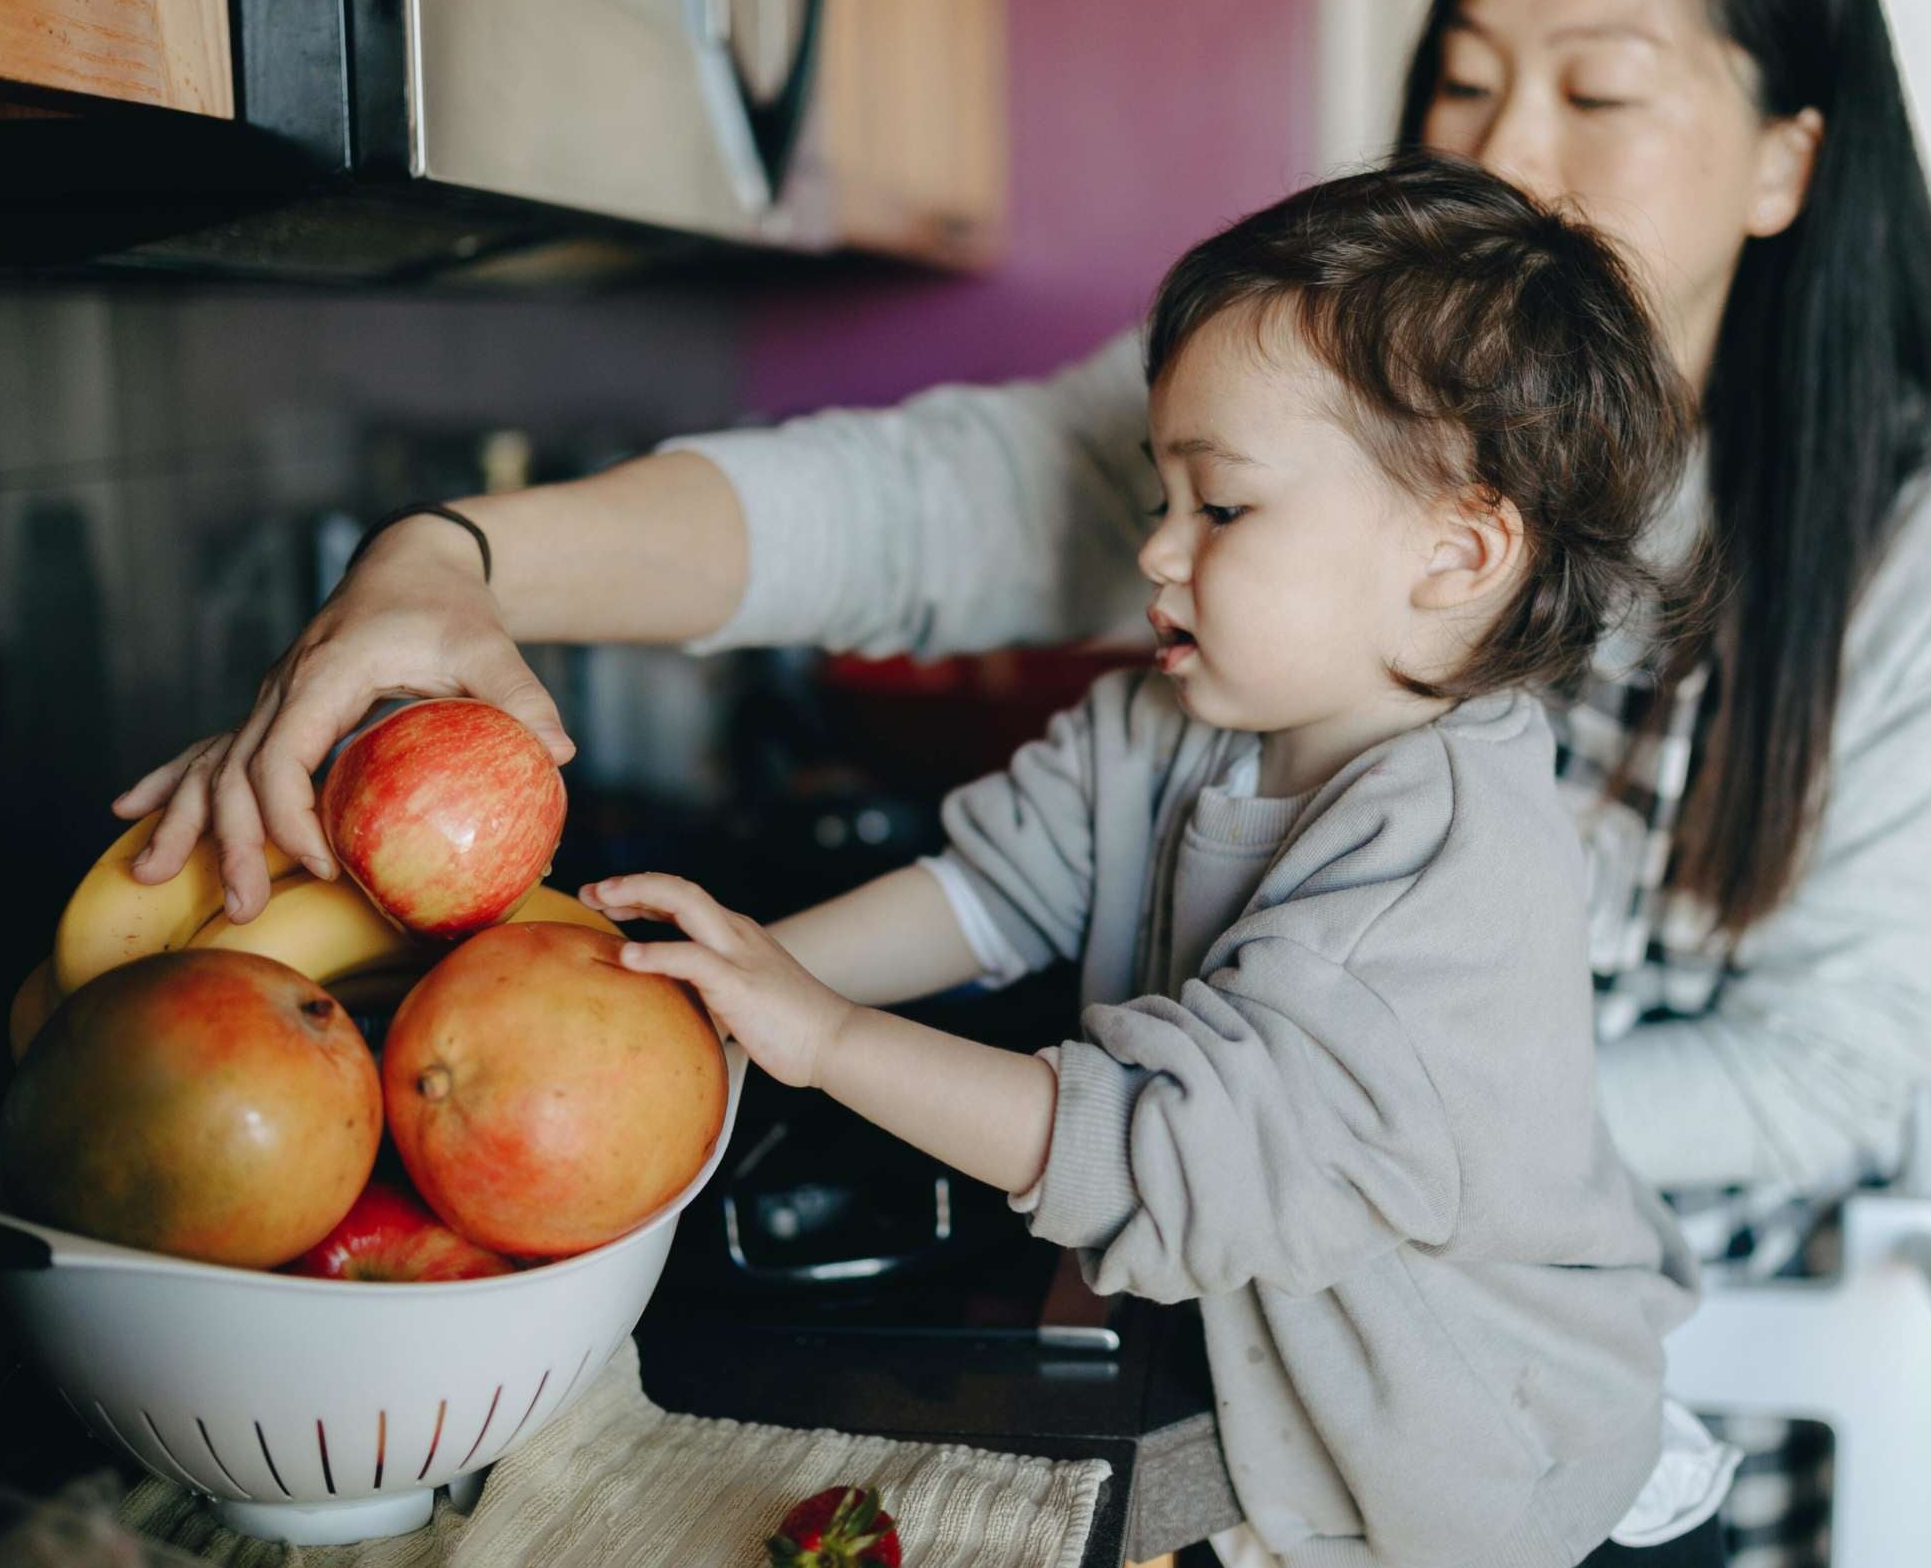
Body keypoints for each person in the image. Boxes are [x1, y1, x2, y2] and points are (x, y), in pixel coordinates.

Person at [117, 0, 1931, 1561]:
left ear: (1789, 154)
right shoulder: (1259, 537)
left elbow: (1789, 1067)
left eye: (1598, 88)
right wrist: (462, 569)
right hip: (1256, 1310)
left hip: (1513, 1398)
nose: (1501, 141)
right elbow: (943, 611)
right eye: (1460, 73)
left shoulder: (1890, 546)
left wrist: (1387, 1124)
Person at [584, 158, 1731, 1567]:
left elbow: (1148, 1154)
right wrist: (725, 986)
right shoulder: (1169, 724)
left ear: (1459, 550)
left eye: (1223, 508)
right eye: (1161, 492)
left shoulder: (1441, 876)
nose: (1156, 549)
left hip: (1467, 1474)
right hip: (1269, 1382)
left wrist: (822, 1036)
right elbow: (993, 885)